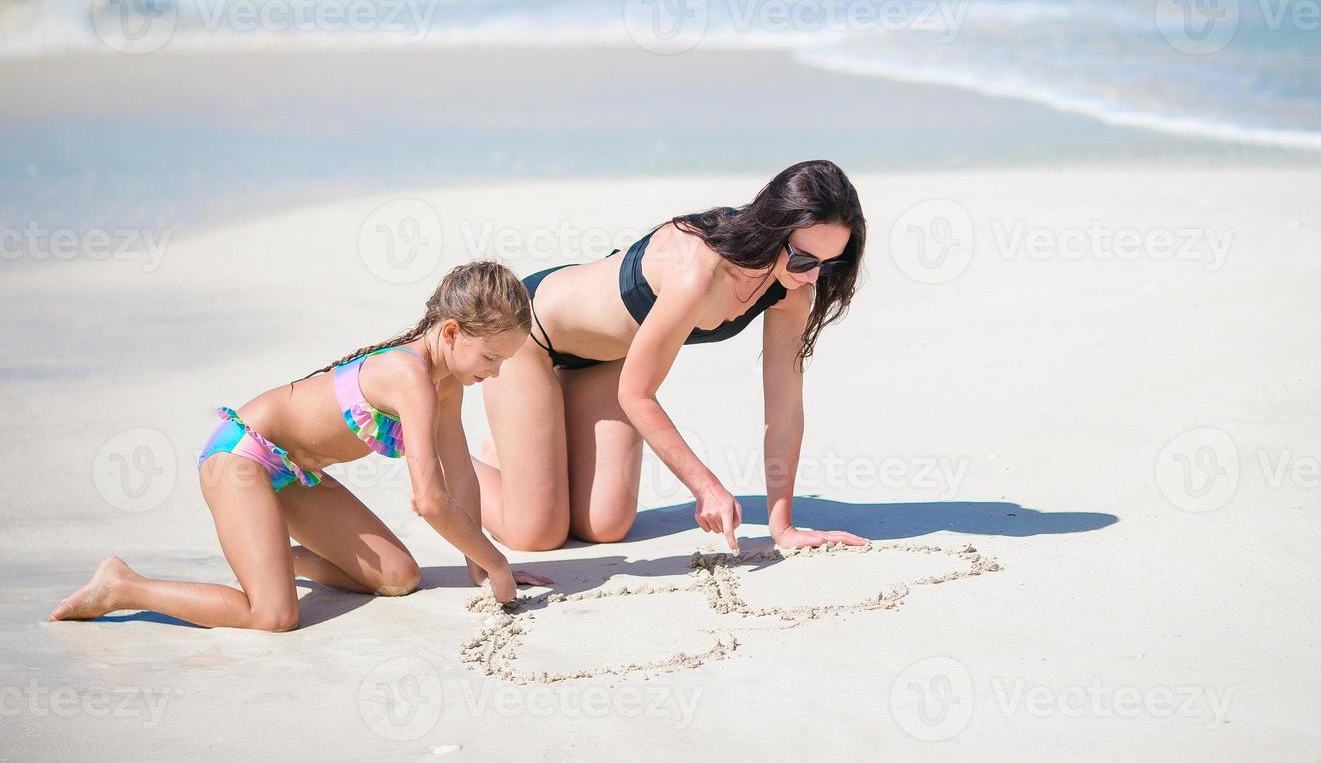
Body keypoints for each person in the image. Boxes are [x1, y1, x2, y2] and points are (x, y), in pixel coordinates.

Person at [51, 261, 550, 630]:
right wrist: (501, 564)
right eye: (490, 356)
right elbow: (429, 499)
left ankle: (279, 556)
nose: (496, 372)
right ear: (450, 332)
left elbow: (459, 475)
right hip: (240, 459)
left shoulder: (448, 385)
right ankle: (123, 586)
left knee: (400, 575)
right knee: (273, 616)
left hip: (293, 475)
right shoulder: (408, 376)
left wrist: (479, 566)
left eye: (504, 362)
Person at [476, 160, 868, 552]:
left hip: (609, 359)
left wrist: (782, 527)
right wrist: (705, 486)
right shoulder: (697, 270)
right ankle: (444, 463)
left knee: (605, 525)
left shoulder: (792, 288)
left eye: (830, 264)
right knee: (537, 533)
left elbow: (784, 413)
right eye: (804, 260)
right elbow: (637, 394)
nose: (814, 277)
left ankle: (528, 440)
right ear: (773, 228)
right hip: (531, 337)